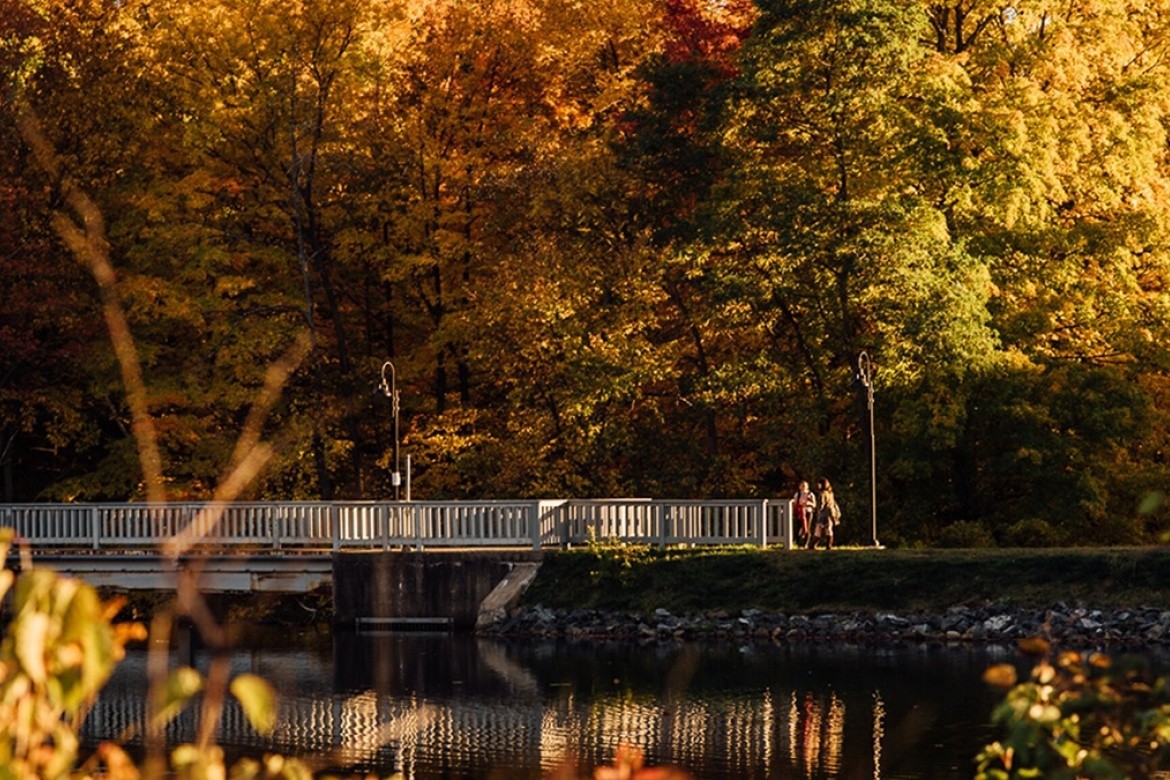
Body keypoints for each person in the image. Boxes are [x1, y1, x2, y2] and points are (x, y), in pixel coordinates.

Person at [807, 477, 840, 550]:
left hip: (823, 513)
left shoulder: (822, 493)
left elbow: (821, 504)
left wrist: (818, 511)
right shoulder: (830, 493)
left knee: (818, 529)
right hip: (831, 513)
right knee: (829, 529)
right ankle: (829, 545)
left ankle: (812, 545)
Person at [793, 481, 816, 545]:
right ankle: (797, 542)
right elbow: (794, 504)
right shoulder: (797, 494)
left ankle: (806, 543)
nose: (803, 487)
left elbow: (814, 505)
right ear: (799, 487)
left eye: (805, 485)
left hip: (808, 511)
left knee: (807, 527)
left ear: (807, 486)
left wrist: (808, 503)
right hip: (799, 512)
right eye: (802, 485)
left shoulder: (811, 494)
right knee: (798, 527)